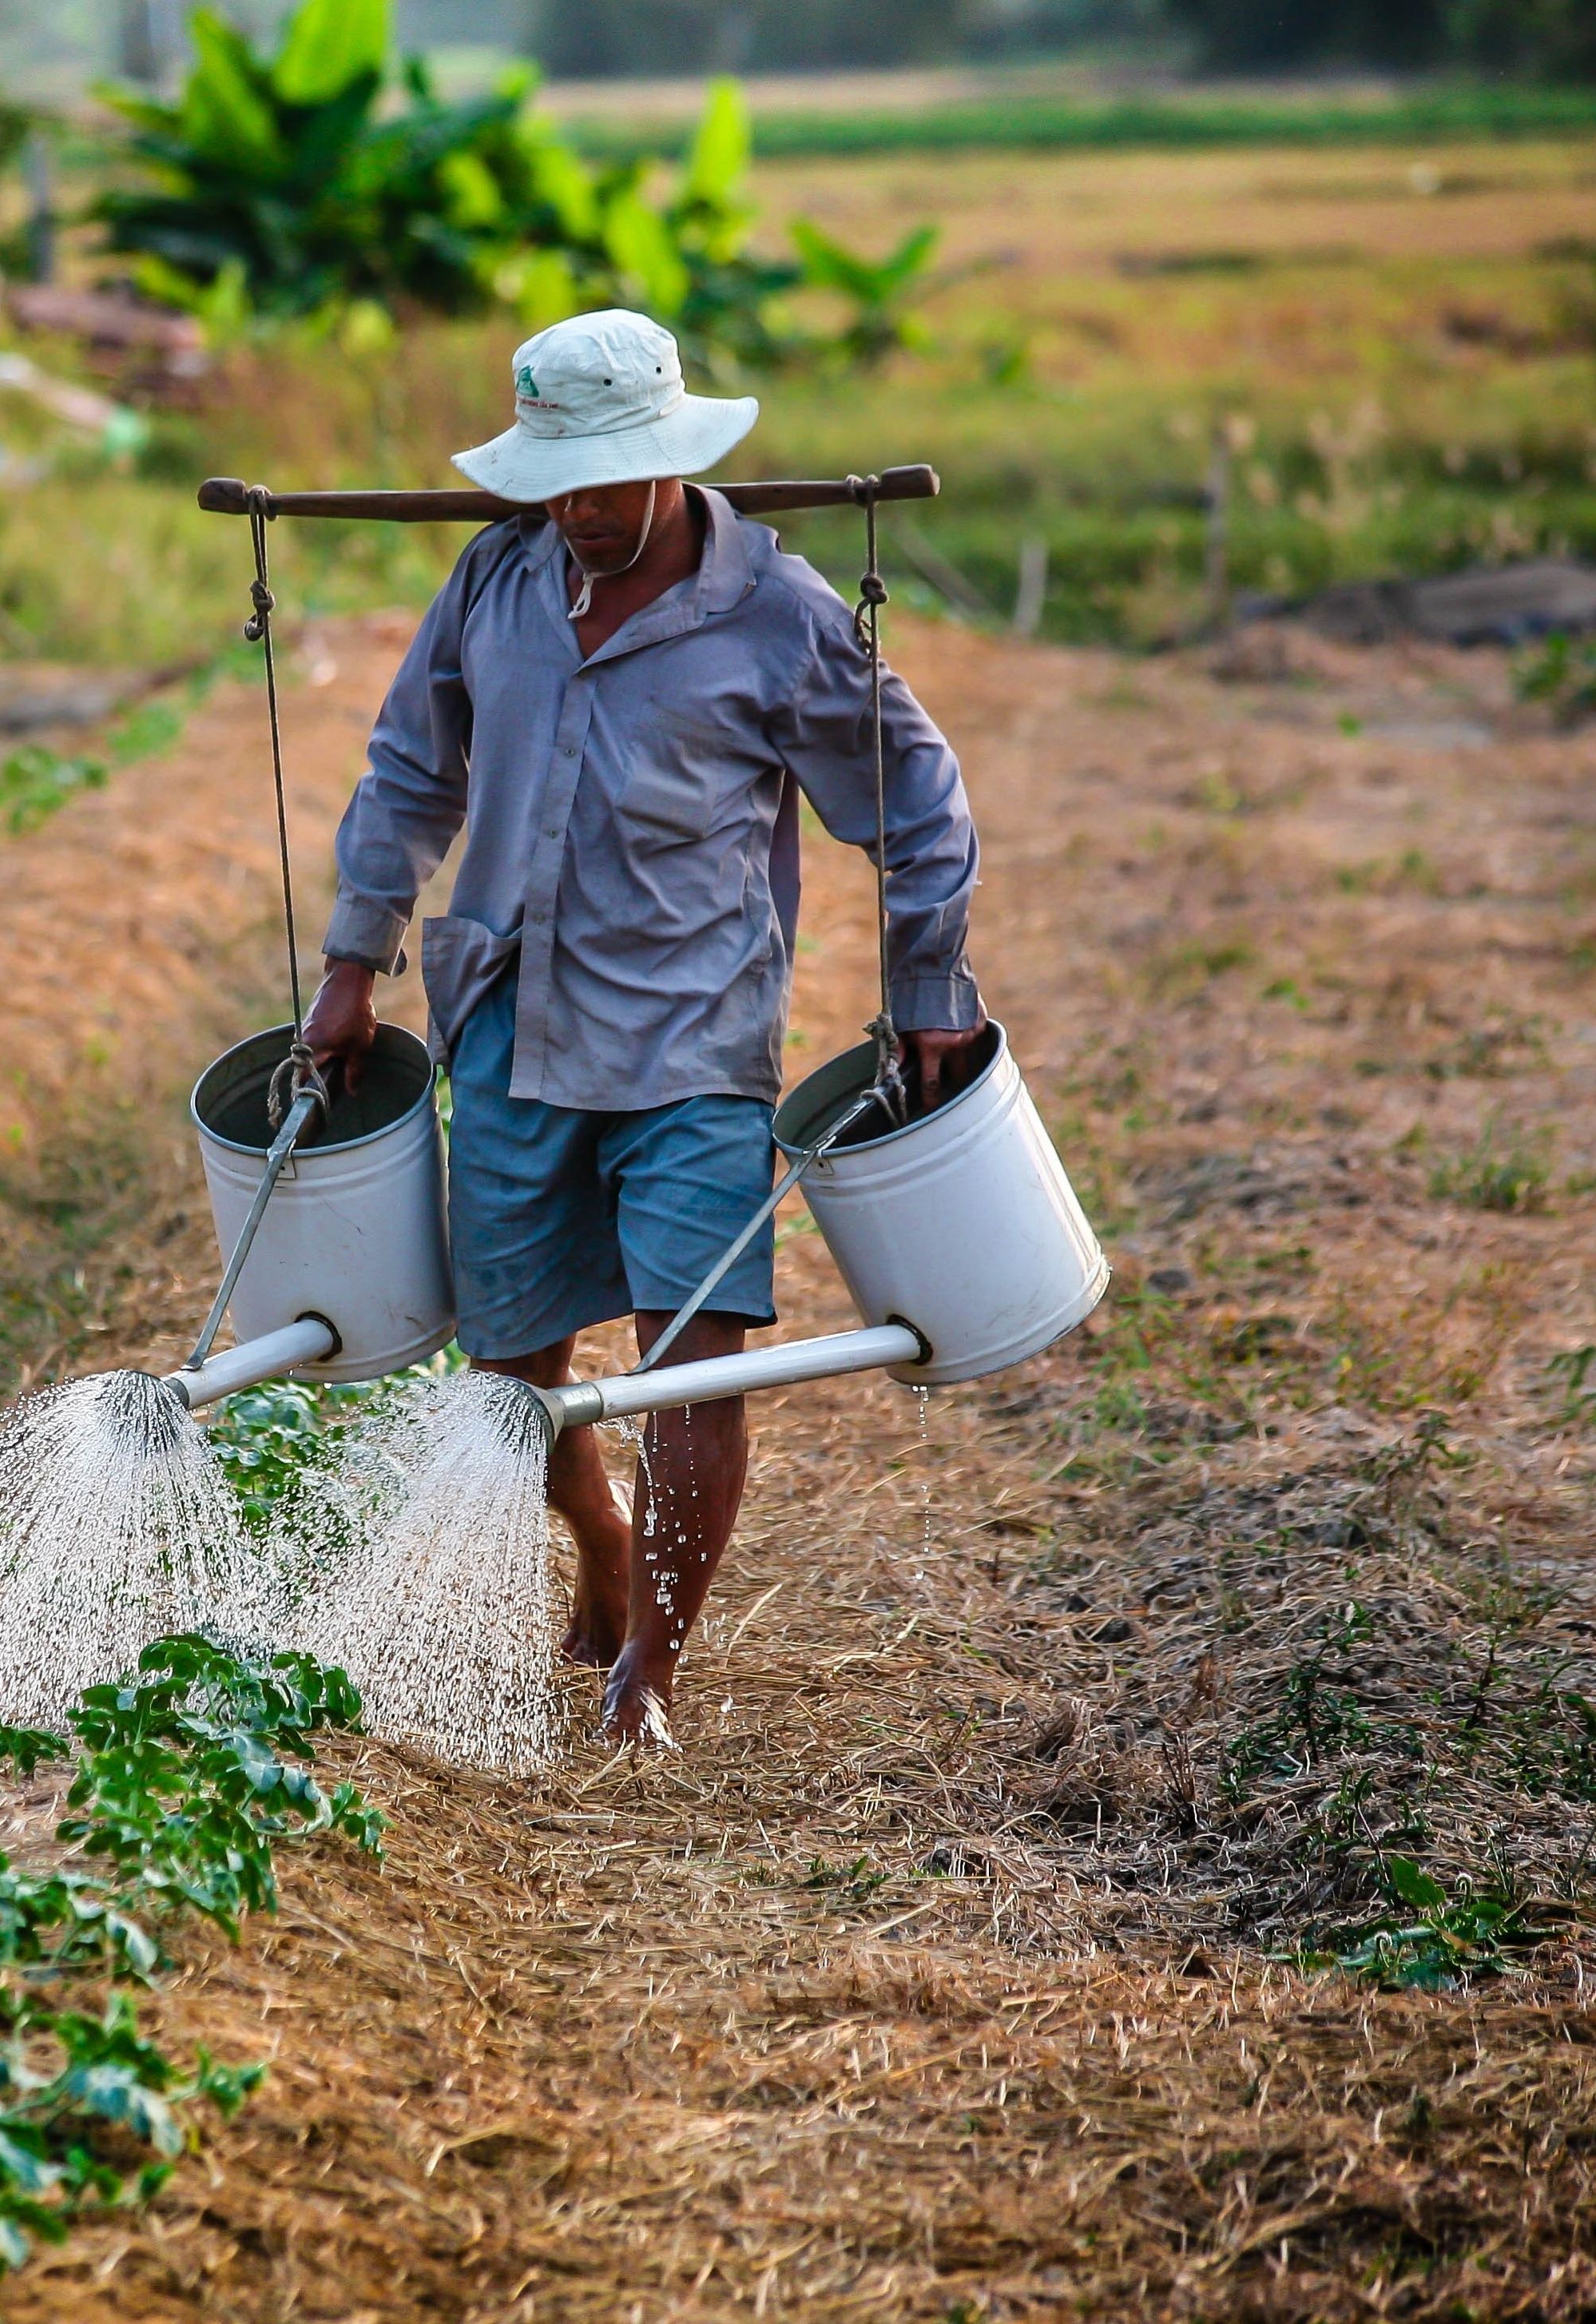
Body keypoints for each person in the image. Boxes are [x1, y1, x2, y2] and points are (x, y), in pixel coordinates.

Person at [299, 308, 983, 1750]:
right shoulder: (494, 581)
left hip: (693, 1040)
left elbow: (916, 804)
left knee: (695, 1359)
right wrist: (352, 961)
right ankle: (600, 1544)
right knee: (512, 1376)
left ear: (672, 462)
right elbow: (408, 771)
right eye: (557, 483)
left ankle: (645, 1680)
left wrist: (925, 989)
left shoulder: (777, 616)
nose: (581, 513)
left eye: (607, 483)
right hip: (505, 1023)